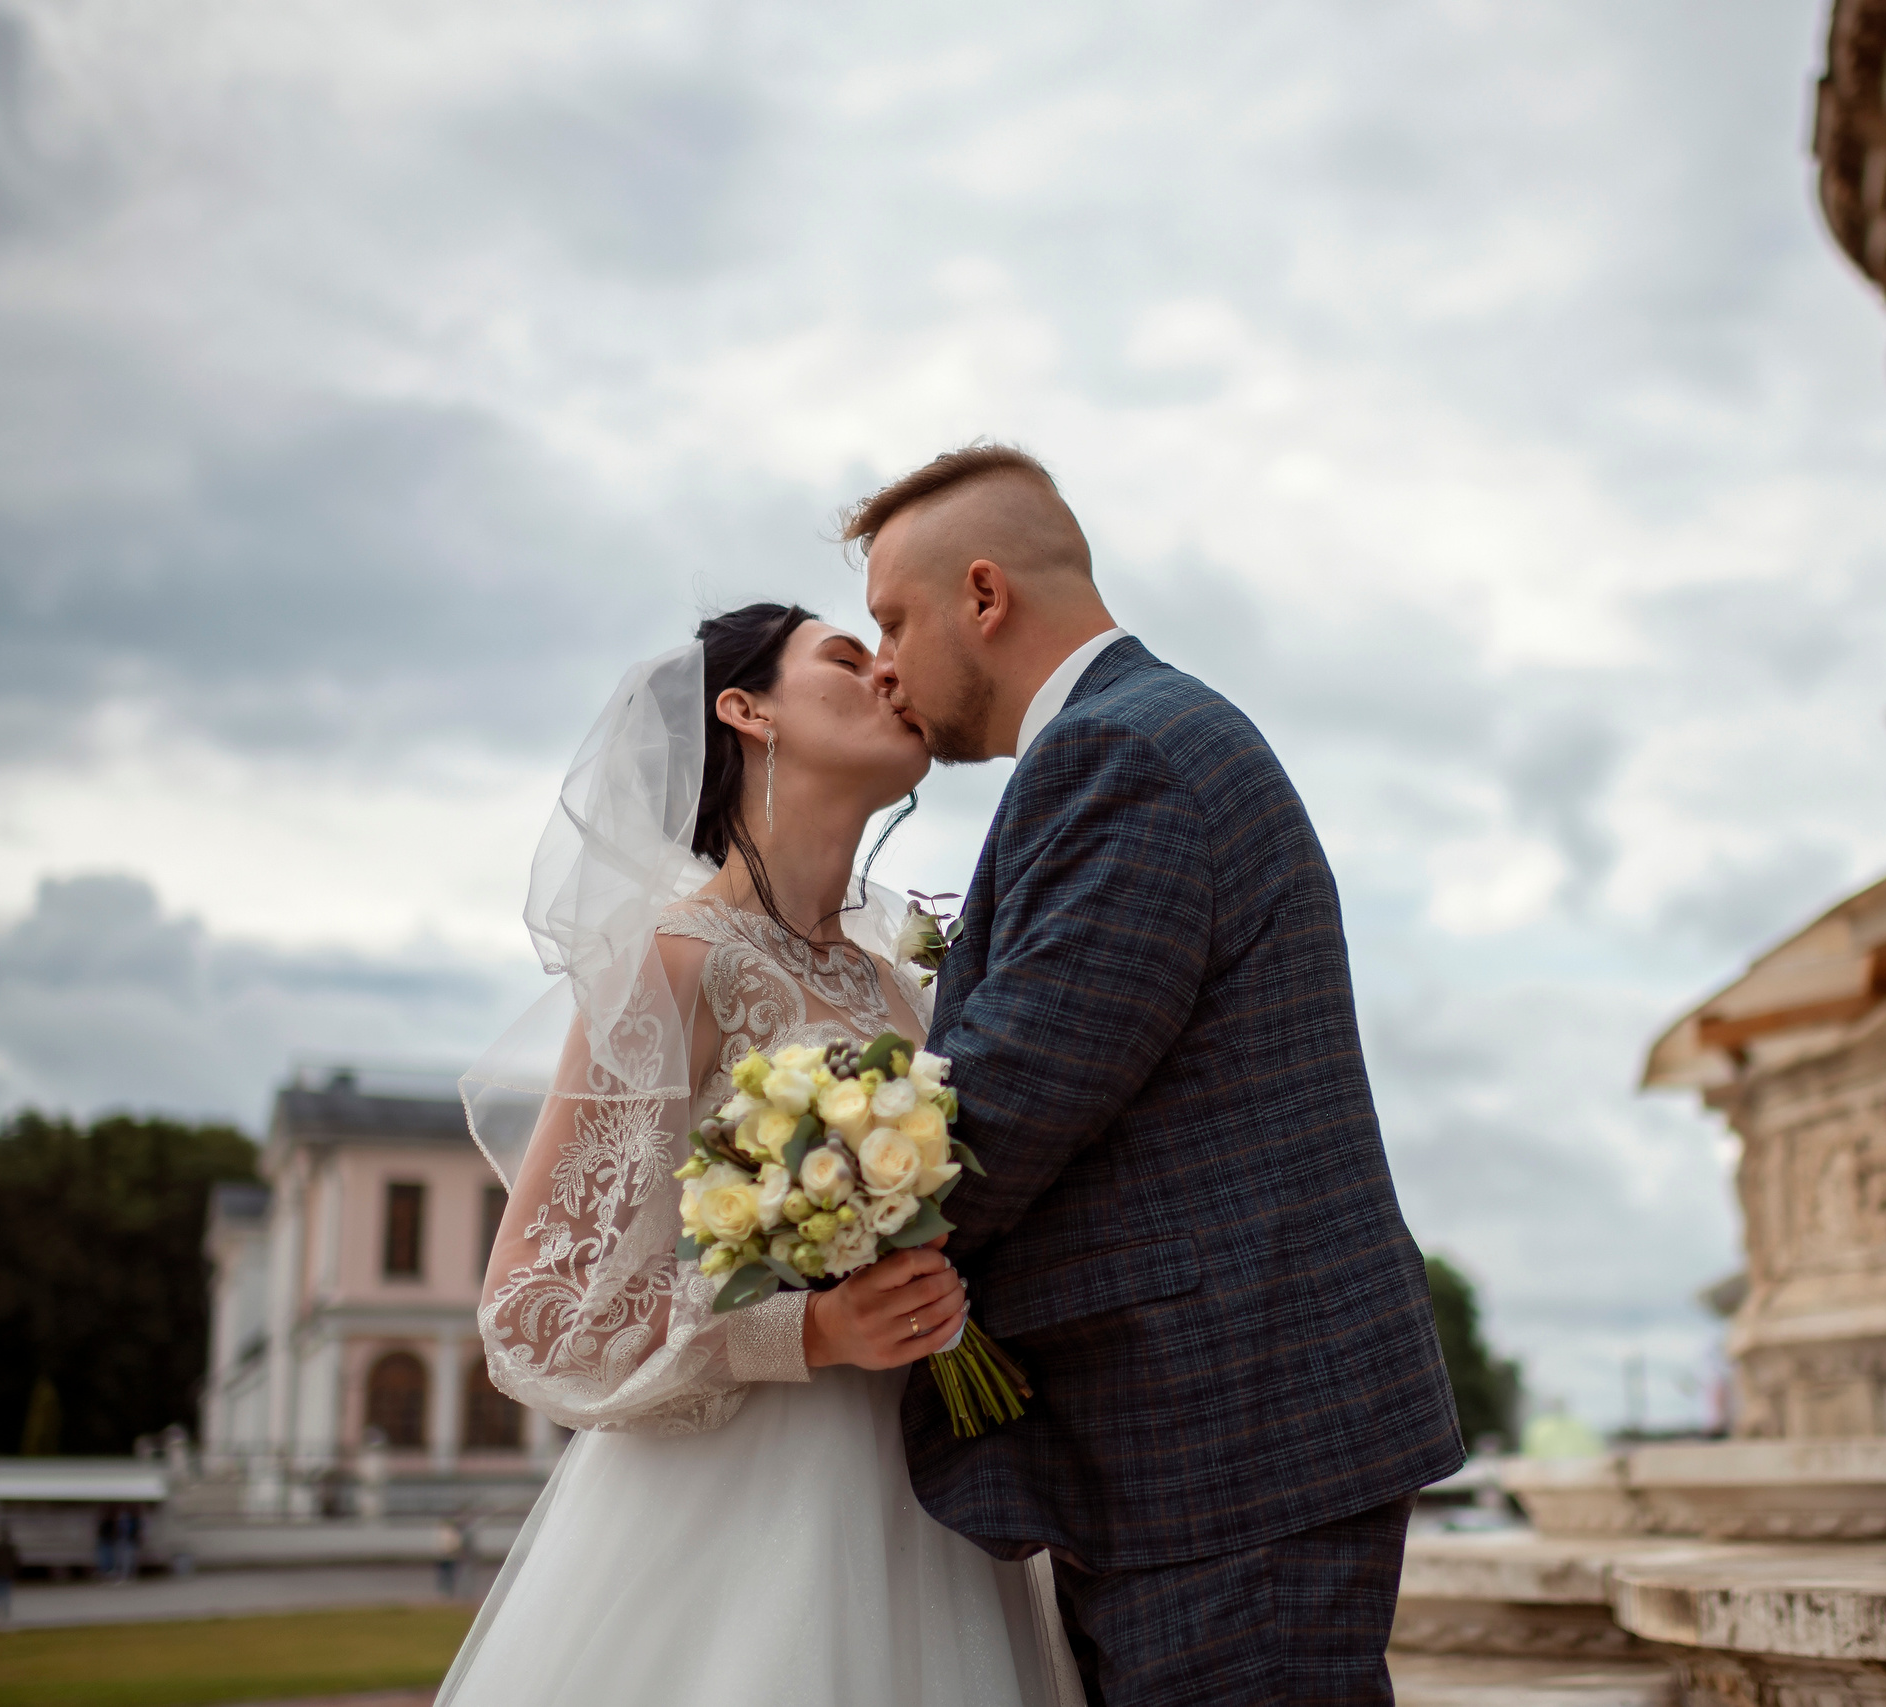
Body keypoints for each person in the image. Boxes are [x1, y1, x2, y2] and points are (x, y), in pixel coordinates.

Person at [858, 445, 1465, 1706]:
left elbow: (1010, 1104)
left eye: (893, 620)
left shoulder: (1118, 754)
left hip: (1222, 1441)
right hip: (1217, 1442)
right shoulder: (1142, 733)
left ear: (984, 596)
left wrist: (800, 1249)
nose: (885, 666)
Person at [436, 607, 1078, 1707]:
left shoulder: (904, 989)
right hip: (740, 1516)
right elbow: (534, 1314)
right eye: (843, 656)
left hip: (928, 1505)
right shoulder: (674, 965)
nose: (887, 672)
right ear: (745, 711)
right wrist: (810, 1328)